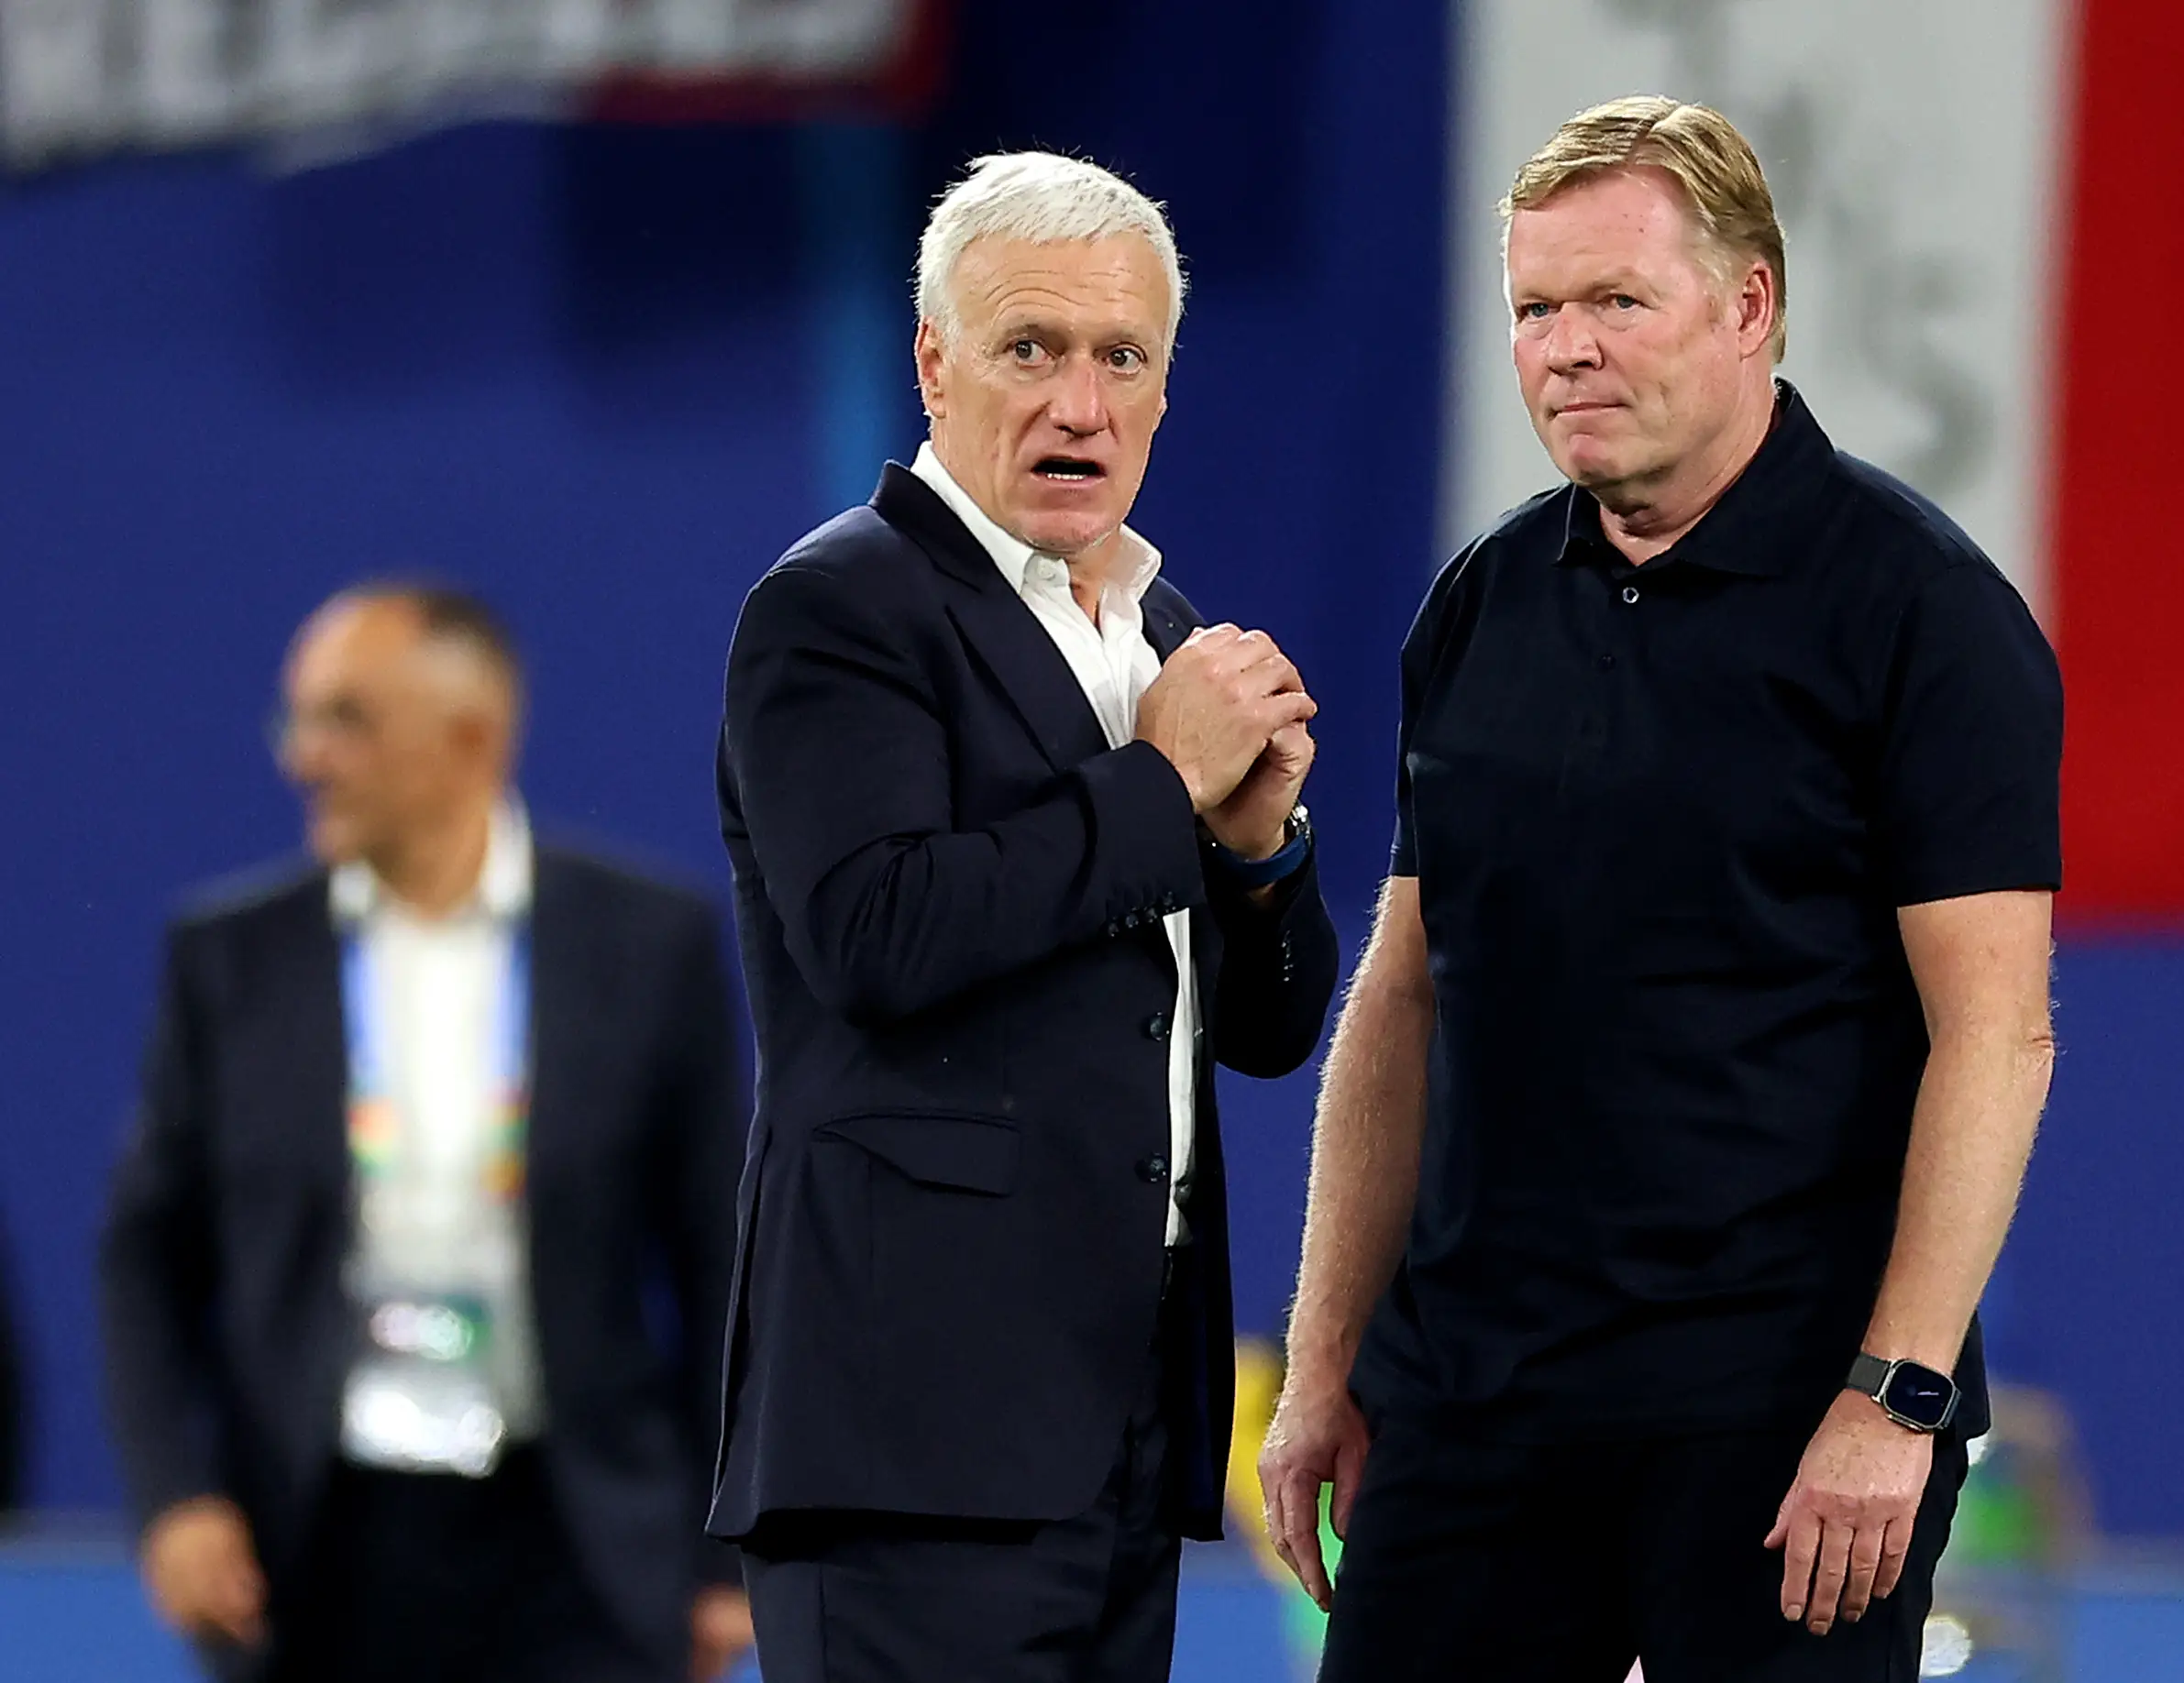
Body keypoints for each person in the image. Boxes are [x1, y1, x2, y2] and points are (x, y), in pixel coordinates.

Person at [1258, 95, 2063, 1682]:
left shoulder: (1920, 616)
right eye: (1534, 310)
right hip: (1472, 1413)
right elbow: (1405, 994)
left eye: (1614, 301)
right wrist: (1322, 1361)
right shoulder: (1481, 604)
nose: (1564, 348)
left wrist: (1891, 1397)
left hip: (1779, 1435)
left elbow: (1997, 1037)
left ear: (1748, 303)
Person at [709, 150, 1340, 1683]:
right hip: (910, 1446)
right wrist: (1161, 781)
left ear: (1165, 389)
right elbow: (875, 932)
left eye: (1119, 357)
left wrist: (1255, 853)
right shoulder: (840, 609)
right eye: (1029, 350)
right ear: (933, 364)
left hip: (1116, 1428)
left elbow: (1259, 1034)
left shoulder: (1157, 632)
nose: (1080, 403)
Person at [99, 586, 755, 1683]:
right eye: (298, 720)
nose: (304, 758)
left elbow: (726, 1257)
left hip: (581, 1552)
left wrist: (727, 1547)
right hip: (315, 1555)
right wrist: (174, 1497)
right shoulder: (231, 961)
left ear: (473, 737)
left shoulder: (649, 946)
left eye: (345, 720)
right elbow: (144, 1256)